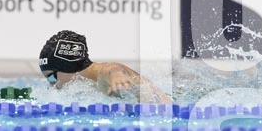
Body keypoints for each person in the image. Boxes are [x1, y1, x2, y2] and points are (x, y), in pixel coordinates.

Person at [39, 30, 171, 103]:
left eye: (51, 77)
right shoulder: (90, 83)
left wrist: (117, 75)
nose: (52, 84)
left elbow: (112, 68)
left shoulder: (101, 76)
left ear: (66, 67)